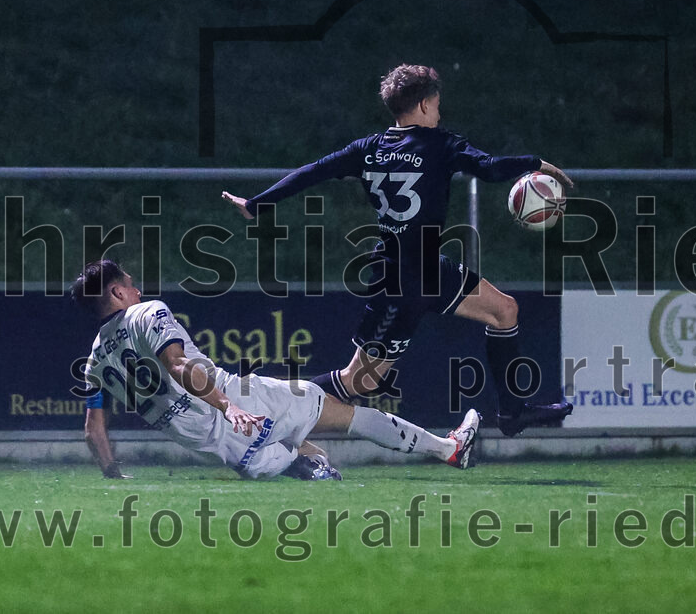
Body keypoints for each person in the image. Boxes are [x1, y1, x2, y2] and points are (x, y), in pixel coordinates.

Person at [222, 64, 574, 436]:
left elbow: (314, 170)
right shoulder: (440, 144)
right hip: (400, 284)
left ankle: (512, 413)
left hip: (426, 270)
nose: (439, 113)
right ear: (423, 105)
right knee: (359, 382)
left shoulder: (369, 149)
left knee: (505, 310)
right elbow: (487, 167)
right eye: (437, 104)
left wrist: (258, 203)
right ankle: (259, 400)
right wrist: (537, 164)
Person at [71, 260, 480, 480]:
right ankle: (449, 450)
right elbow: (178, 365)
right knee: (345, 412)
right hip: (240, 401)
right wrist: (227, 405)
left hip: (225, 451)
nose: (137, 288)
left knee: (308, 459)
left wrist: (112, 474)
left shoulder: (94, 360)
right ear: (117, 292)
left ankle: (304, 465)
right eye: (130, 283)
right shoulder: (146, 312)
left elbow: (94, 429)